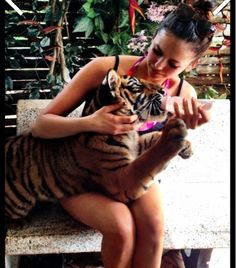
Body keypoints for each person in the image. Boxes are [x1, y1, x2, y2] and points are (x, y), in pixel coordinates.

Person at [31, 1, 215, 267]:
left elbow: (159, 151)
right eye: (156, 51)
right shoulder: (104, 69)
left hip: (133, 173)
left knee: (153, 230)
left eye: (173, 64)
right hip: (81, 171)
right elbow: (42, 125)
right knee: (122, 226)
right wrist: (93, 122)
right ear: (151, 39)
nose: (158, 65)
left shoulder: (183, 96)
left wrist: (181, 132)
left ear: (193, 63)